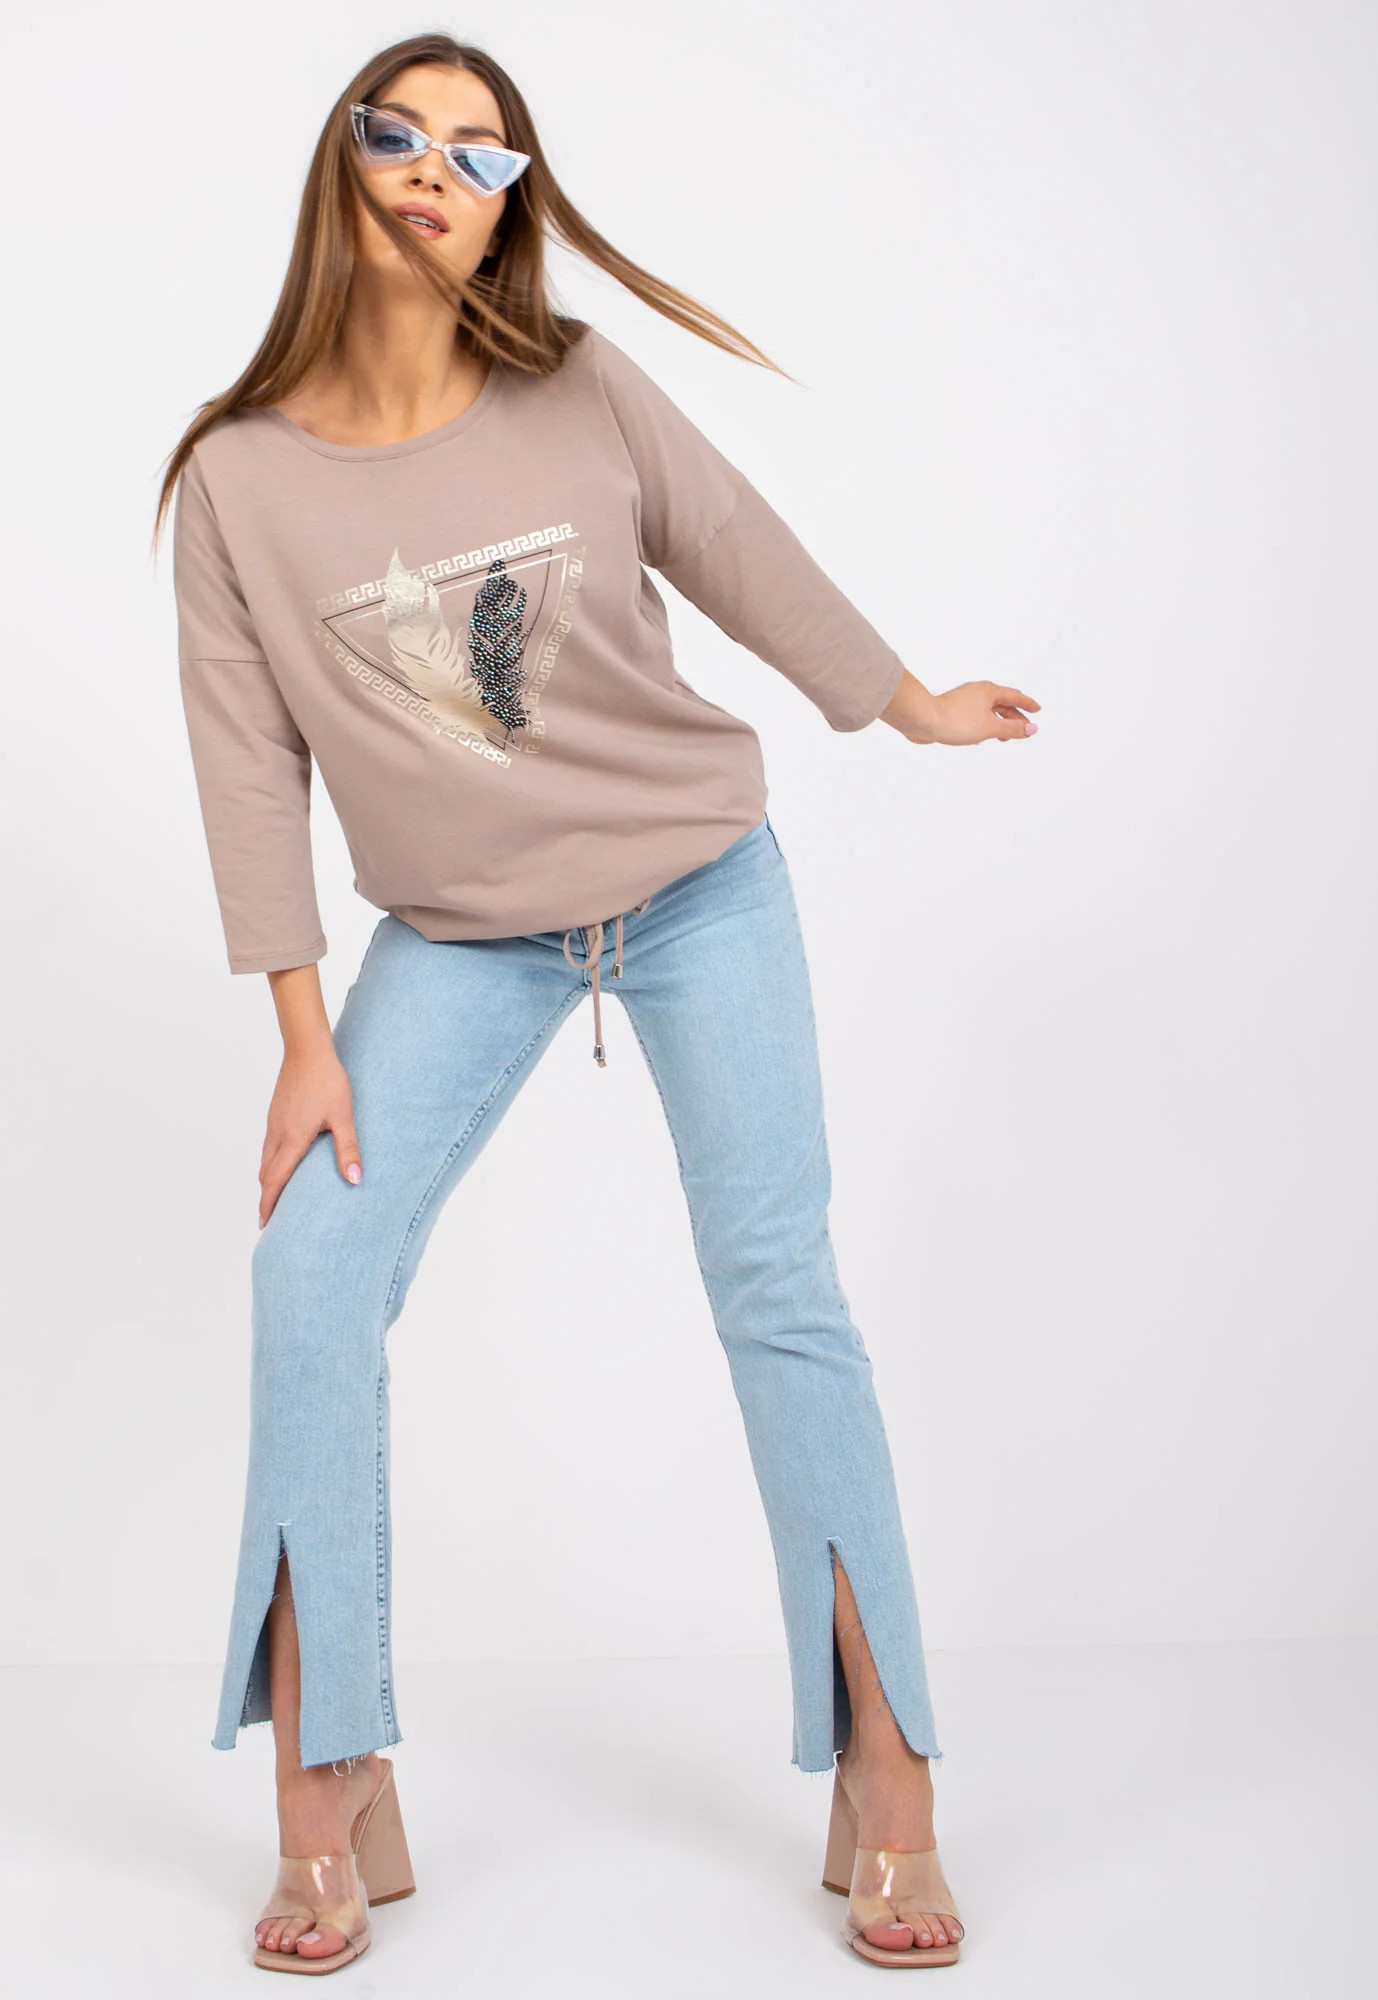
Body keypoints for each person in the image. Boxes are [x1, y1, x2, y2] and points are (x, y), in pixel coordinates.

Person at [158, 31, 1039, 1977]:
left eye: (480, 151)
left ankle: (886, 1770)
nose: (434, 168)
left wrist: (902, 701)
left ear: (509, 203)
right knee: (311, 1274)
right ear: (342, 167)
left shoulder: (576, 386)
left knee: (781, 1291)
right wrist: (301, 1035)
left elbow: (736, 547)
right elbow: (243, 763)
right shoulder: (237, 476)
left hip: (699, 886)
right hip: (458, 936)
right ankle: (331, 1782)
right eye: (399, 131)